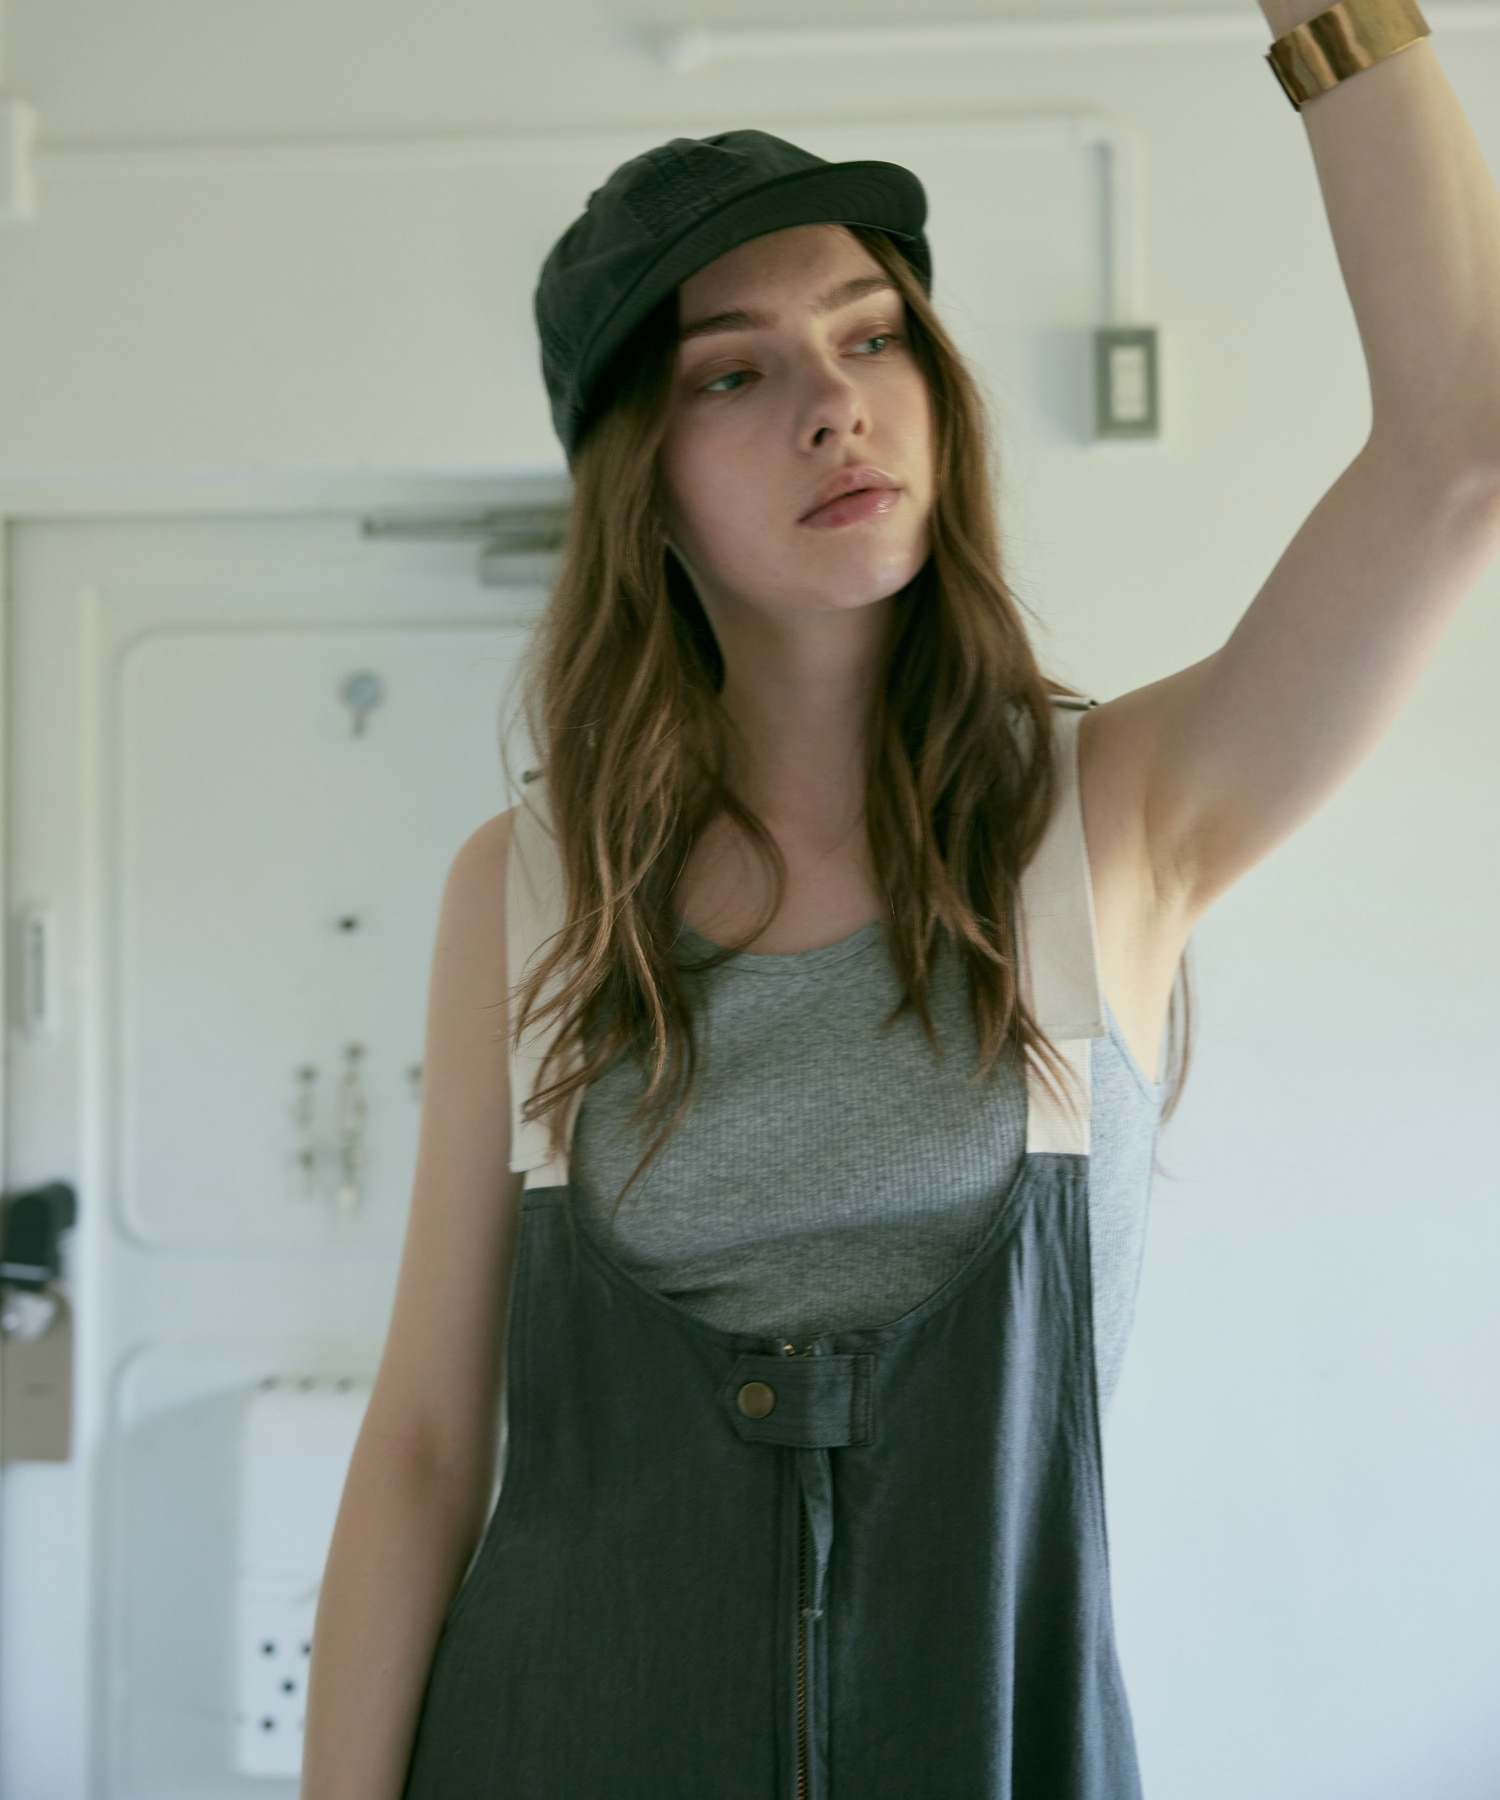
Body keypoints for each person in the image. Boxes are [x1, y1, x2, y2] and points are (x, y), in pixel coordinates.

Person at [301, 2, 1500, 1793]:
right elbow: (418, 1446)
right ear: (642, 487)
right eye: (734, 372)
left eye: (871, 336)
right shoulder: (536, 891)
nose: (835, 401)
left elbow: (1465, 442)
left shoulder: (1113, 818)